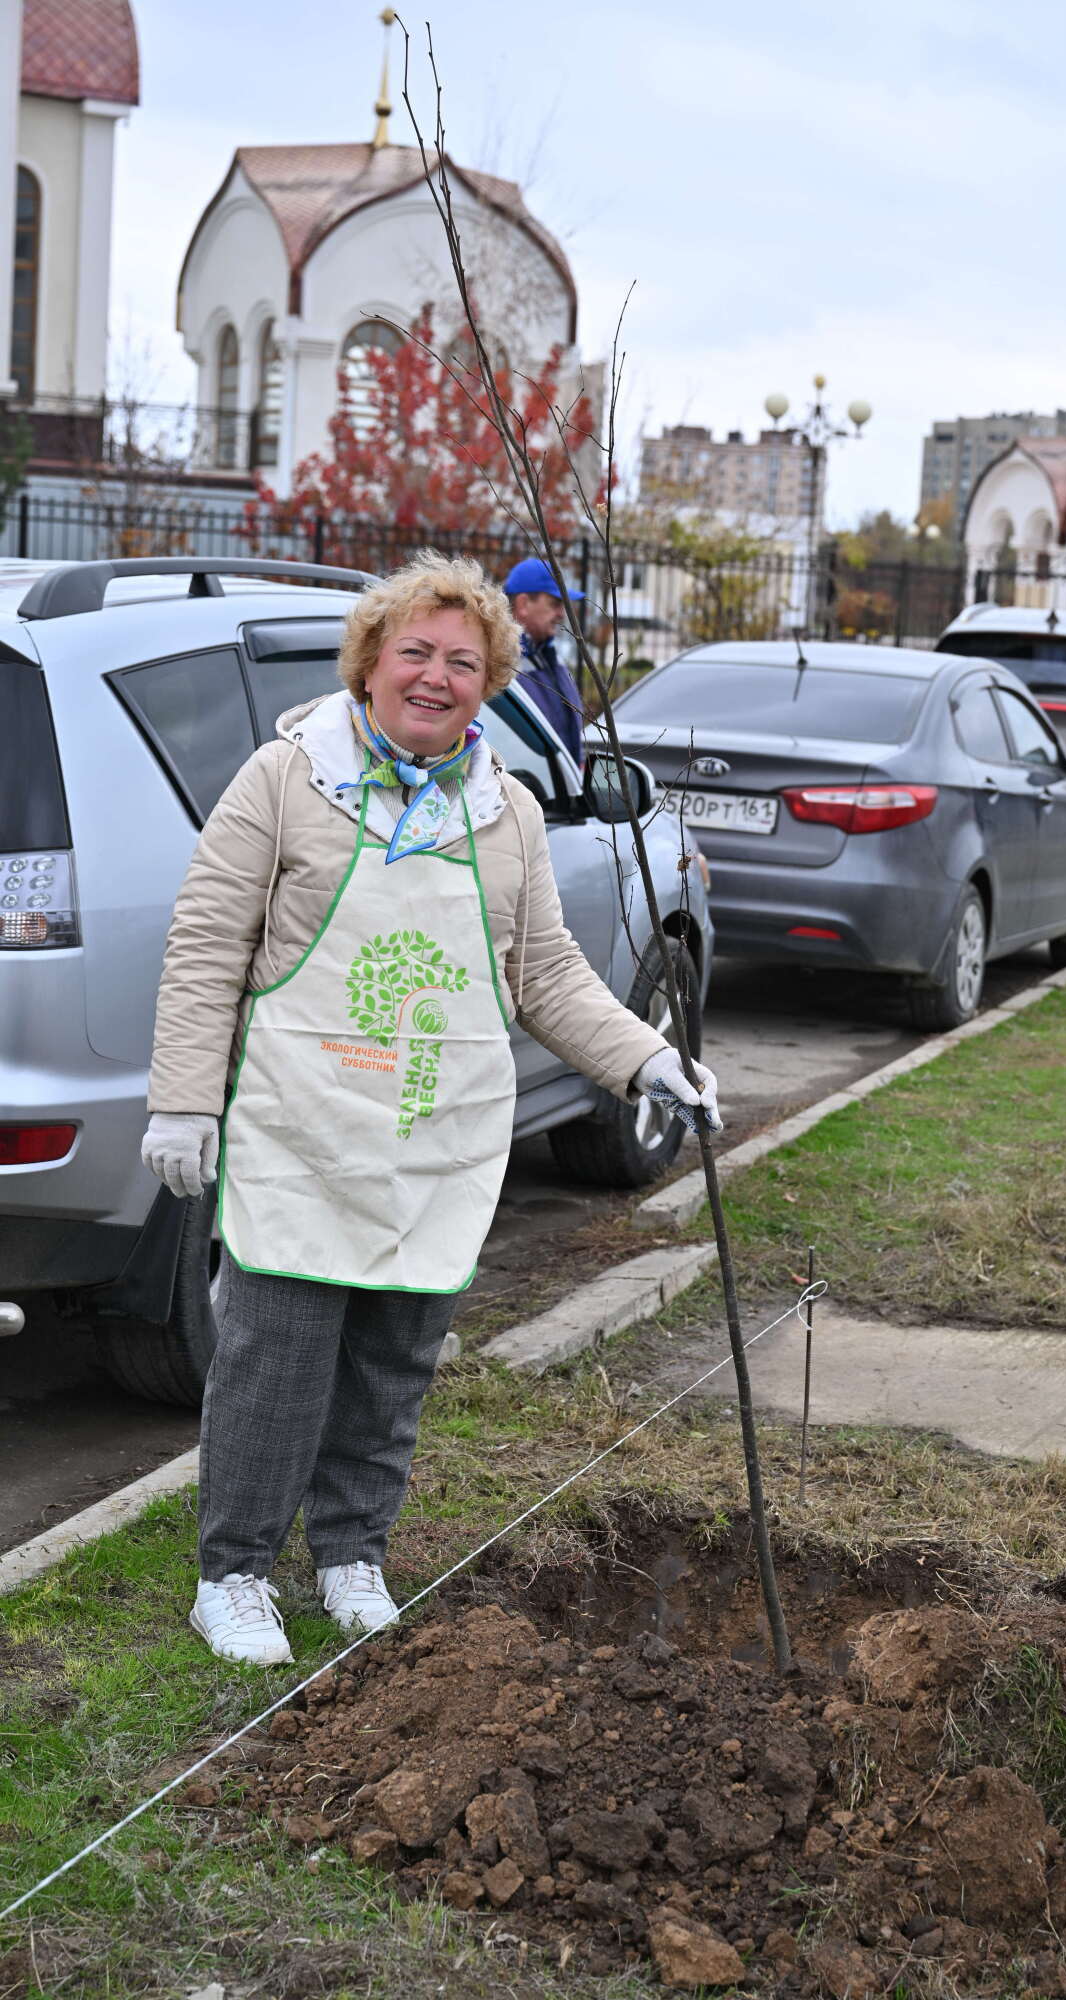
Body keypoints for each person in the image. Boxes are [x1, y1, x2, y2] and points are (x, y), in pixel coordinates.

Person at [141, 553, 719, 1666]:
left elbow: (544, 970)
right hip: (301, 1128)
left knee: (394, 1355)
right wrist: (182, 1102)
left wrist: (648, 1061)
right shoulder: (284, 778)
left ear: (490, 680)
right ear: (368, 662)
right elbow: (208, 944)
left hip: (435, 1134)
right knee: (278, 1355)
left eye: (463, 661)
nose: (436, 677)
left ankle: (352, 1552)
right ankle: (238, 1572)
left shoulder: (502, 807)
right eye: (414, 651)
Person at [502, 555, 587, 764]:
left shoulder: (547, 654)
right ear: (523, 604)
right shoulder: (500, 659)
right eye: (555, 603)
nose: (562, 614)